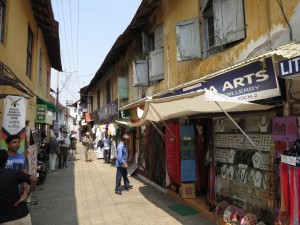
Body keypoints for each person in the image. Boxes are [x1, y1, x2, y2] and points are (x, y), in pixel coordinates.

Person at [0, 150, 37, 225]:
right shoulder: (13, 172)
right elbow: (34, 179)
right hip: (22, 215)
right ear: (6, 162)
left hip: (4, 219)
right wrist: (26, 194)